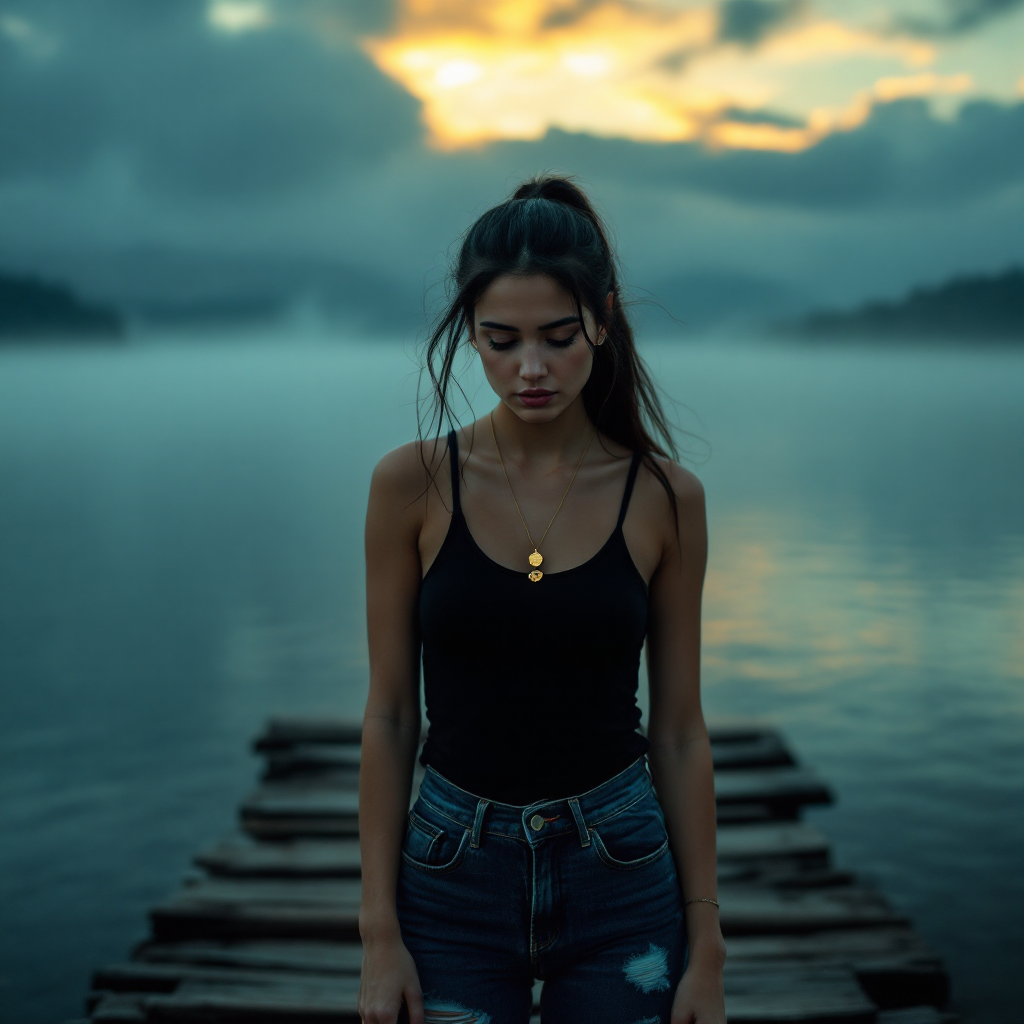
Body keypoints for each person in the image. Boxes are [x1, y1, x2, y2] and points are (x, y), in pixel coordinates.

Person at [358, 175, 725, 1024]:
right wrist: (380, 933)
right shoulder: (410, 484)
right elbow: (388, 716)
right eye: (500, 340)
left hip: (621, 871)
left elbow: (677, 728)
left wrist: (707, 942)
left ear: (602, 317)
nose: (530, 369)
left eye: (559, 337)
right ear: (469, 334)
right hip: (451, 874)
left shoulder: (667, 498)